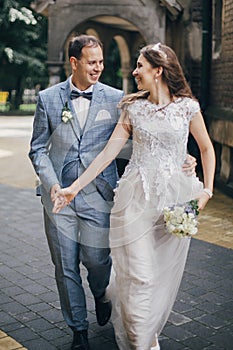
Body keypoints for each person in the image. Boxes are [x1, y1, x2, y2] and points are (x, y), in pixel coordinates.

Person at [29, 35, 196, 350]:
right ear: (74, 62)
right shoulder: (48, 99)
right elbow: (38, 149)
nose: (98, 68)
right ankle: (78, 330)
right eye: (92, 62)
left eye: (101, 62)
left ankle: (102, 295)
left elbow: (131, 143)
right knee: (65, 266)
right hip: (58, 199)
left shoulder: (117, 97)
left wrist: (177, 155)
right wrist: (51, 182)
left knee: (96, 260)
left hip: (101, 196)